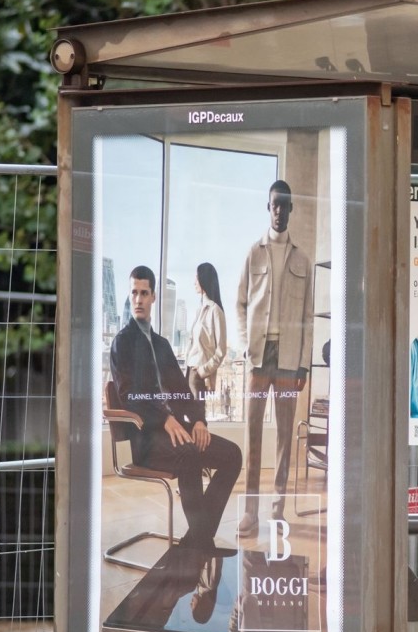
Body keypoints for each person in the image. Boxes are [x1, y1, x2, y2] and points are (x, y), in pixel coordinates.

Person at [111, 265, 242, 548]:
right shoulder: (122, 343)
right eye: (134, 292)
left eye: (144, 293)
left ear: (153, 297)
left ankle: (197, 539)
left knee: (233, 455)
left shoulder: (162, 345)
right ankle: (200, 543)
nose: (138, 299)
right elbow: (129, 396)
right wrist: (164, 420)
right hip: (146, 437)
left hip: (176, 429)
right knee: (188, 455)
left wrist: (198, 421)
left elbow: (183, 391)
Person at [235, 179, 314, 536]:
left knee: (284, 436)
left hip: (288, 360)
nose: (280, 211)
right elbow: (239, 304)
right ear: (268, 208)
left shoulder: (303, 260)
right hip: (258, 356)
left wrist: (304, 364)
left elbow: (309, 317)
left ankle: (278, 510)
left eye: (285, 205)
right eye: (274, 205)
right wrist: (244, 344)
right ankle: (250, 512)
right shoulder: (254, 252)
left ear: (292, 208)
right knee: (253, 433)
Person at [184, 262, 228, 403]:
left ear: (203, 279)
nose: (194, 282)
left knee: (198, 420)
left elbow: (221, 350)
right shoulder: (199, 310)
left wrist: (203, 370)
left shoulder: (215, 311)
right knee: (190, 419)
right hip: (189, 372)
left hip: (200, 376)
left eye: (196, 278)